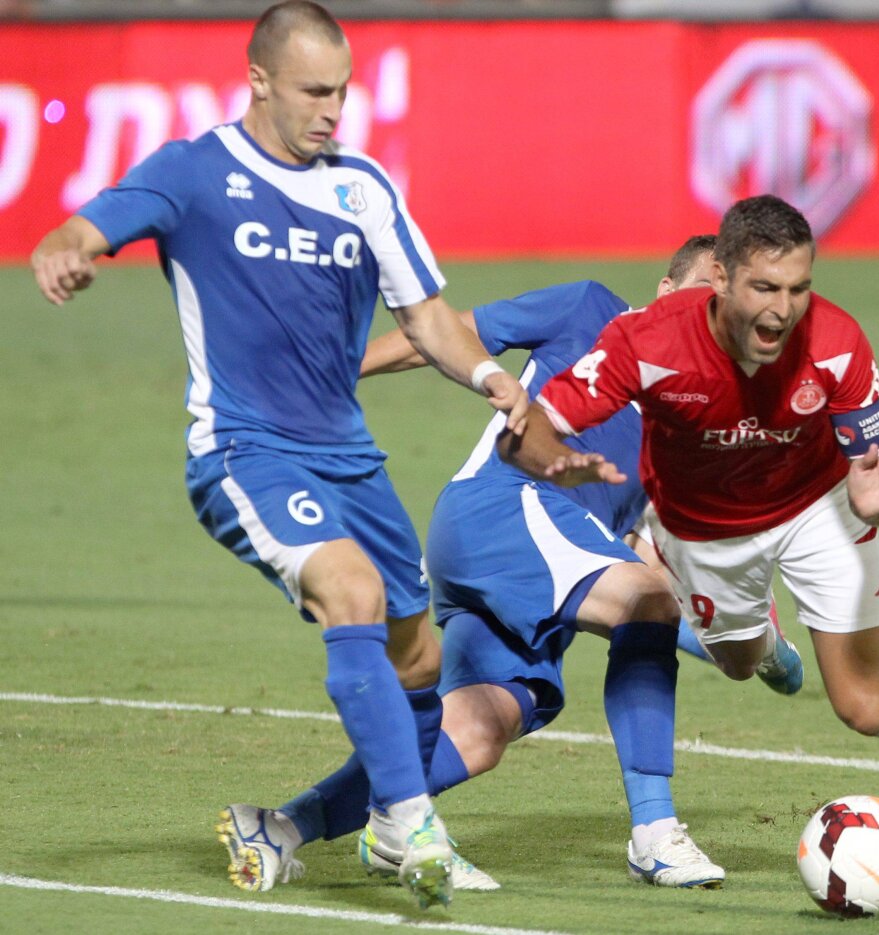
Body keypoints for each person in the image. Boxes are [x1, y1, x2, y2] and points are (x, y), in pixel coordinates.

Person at [28, 0, 528, 910]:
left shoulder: (364, 188)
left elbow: (424, 318)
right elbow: (89, 223)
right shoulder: (193, 170)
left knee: (419, 656)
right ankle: (415, 825)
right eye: (312, 90)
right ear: (258, 78)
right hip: (245, 449)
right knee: (353, 593)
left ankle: (385, 824)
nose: (332, 109)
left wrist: (488, 374)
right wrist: (65, 250)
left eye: (341, 90)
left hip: (351, 457)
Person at [217, 237, 751, 895]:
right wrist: (330, 373)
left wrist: (737, 641)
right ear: (667, 290)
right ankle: (655, 833)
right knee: (646, 602)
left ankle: (280, 826)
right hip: (506, 510)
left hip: (527, 563)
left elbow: (639, 559)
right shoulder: (594, 310)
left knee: (479, 726)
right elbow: (446, 336)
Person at [498, 195, 879, 857]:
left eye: (799, 288)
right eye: (765, 287)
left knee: (862, 704)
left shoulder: (836, 344)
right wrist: (555, 460)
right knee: (739, 661)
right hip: (704, 527)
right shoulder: (650, 340)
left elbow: (874, 481)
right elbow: (527, 430)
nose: (783, 308)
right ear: (719, 278)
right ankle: (764, 636)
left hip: (818, 507)